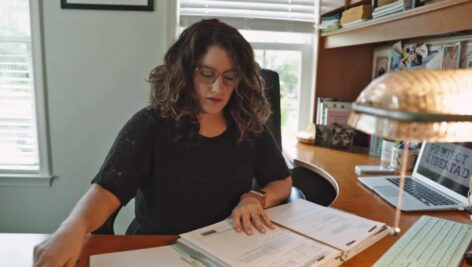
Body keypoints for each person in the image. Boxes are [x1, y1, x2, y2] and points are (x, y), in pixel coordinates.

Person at [33, 19, 292, 266]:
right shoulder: (151, 125)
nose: (217, 88)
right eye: (207, 74)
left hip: (228, 249)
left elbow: (282, 181)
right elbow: (105, 192)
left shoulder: (248, 125)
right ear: (185, 72)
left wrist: (254, 198)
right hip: (157, 251)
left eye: (229, 77)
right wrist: (72, 229)